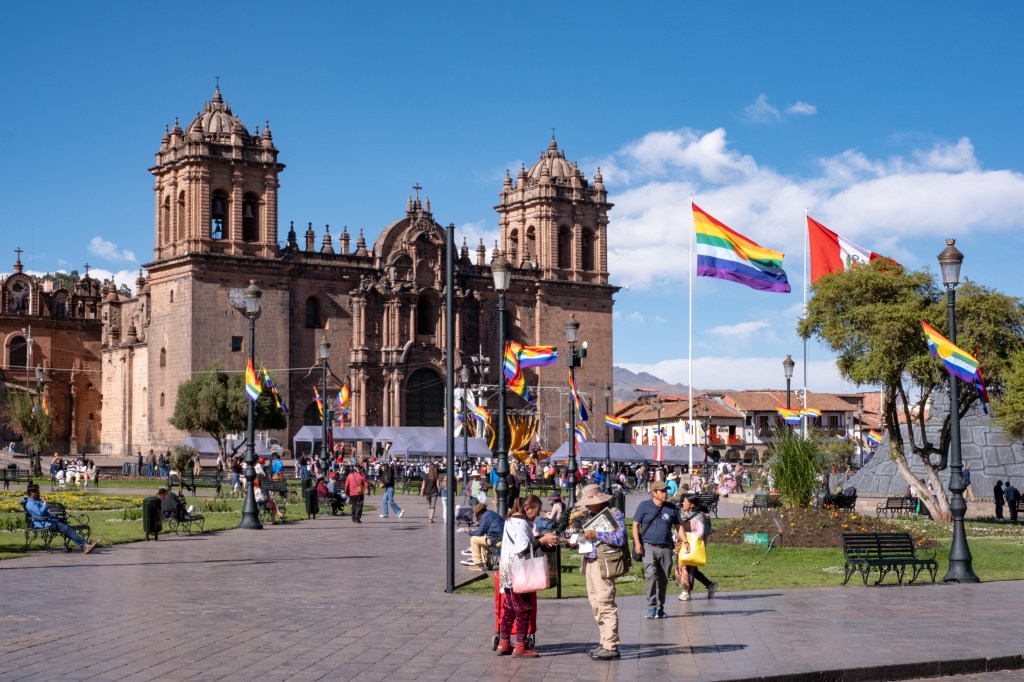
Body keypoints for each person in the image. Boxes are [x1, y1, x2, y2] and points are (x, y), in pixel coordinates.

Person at [496, 494, 558, 658]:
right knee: (523, 609)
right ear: (527, 508)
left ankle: (503, 643)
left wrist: (540, 539)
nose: (537, 515)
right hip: (519, 571)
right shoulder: (522, 523)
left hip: (507, 570)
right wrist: (543, 540)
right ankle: (520, 646)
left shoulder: (510, 520)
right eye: (536, 512)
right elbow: (522, 548)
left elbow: (519, 543)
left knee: (509, 608)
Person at [569, 484, 626, 661]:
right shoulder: (589, 516)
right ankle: (604, 641)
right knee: (595, 604)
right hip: (590, 562)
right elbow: (585, 538)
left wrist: (597, 534)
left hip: (604, 564)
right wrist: (575, 540)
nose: (586, 506)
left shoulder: (614, 514)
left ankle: (611, 645)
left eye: (589, 502)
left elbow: (620, 538)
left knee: (605, 602)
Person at [632, 480, 682, 618]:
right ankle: (651, 606)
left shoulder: (671, 508)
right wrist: (637, 544)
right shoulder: (644, 506)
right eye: (662, 491)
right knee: (651, 576)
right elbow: (635, 524)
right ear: (654, 493)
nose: (666, 493)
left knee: (663, 579)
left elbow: (679, 526)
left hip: (666, 548)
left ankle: (660, 608)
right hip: (648, 546)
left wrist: (685, 541)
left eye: (666, 491)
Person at [23, 486, 100, 554]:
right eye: (37, 492)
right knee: (69, 530)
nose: (39, 493)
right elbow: (40, 514)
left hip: (50, 521)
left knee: (69, 530)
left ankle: (86, 544)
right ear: (32, 493)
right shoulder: (30, 504)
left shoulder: (35, 501)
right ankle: (85, 545)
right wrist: (45, 503)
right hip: (45, 523)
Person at [678, 494, 718, 600]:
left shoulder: (699, 517)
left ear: (692, 505)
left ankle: (686, 591)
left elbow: (700, 533)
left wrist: (684, 537)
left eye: (685, 501)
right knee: (691, 569)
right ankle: (710, 585)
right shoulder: (685, 514)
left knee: (688, 568)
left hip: (692, 546)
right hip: (684, 545)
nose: (683, 503)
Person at [459, 502, 504, 571]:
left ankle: (478, 564)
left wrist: (469, 531)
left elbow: (479, 533)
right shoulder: (490, 513)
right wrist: (473, 532)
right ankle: (485, 563)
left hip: (497, 540)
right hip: (501, 539)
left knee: (473, 539)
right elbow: (482, 531)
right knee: (482, 540)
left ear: (479, 513)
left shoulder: (484, 517)